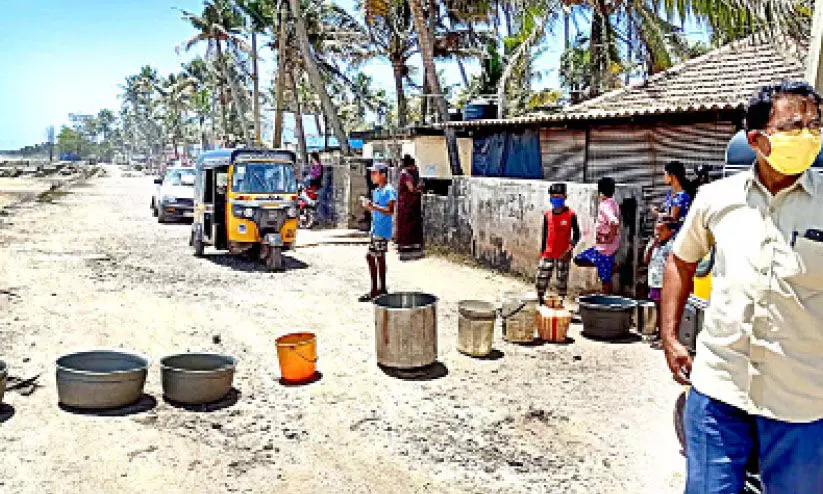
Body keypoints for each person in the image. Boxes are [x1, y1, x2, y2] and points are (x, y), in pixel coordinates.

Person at [661, 81, 823, 493]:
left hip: (801, 401)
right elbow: (681, 260)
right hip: (718, 387)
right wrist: (669, 338)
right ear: (756, 140)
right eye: (793, 126)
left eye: (815, 125)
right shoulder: (717, 198)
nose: (808, 136)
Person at [535, 183, 581, 304]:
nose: (556, 199)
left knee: (562, 281)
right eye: (553, 197)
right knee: (541, 279)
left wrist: (570, 248)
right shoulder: (547, 215)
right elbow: (545, 236)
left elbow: (577, 234)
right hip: (548, 253)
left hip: (563, 254)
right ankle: (540, 300)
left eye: (559, 197)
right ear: (550, 198)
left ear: (565, 197)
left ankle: (560, 303)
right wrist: (542, 253)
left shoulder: (571, 215)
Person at [574, 177, 621, 294]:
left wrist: (610, 237)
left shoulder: (605, 205)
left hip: (605, 248)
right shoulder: (613, 203)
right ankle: (610, 267)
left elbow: (614, 222)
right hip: (604, 247)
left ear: (600, 192)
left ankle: (605, 296)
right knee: (580, 258)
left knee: (605, 278)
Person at [359, 162, 396, 302]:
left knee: (372, 256)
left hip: (382, 230)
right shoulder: (377, 191)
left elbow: (390, 210)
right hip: (376, 229)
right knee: (378, 257)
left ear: (383, 175)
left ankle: (377, 289)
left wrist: (373, 206)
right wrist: (369, 206)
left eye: (375, 173)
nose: (372, 176)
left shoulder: (388, 190)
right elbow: (377, 209)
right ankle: (380, 288)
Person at [643, 216, 677, 347]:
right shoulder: (655, 244)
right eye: (656, 230)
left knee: (666, 311)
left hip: (665, 284)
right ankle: (659, 335)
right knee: (658, 309)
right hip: (654, 282)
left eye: (661, 230)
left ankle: (665, 338)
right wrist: (651, 246)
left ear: (670, 231)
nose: (657, 233)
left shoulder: (671, 246)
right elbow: (645, 260)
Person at [396, 155, 424, 257]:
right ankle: (406, 244)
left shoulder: (406, 173)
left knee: (408, 223)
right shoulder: (406, 174)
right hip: (407, 203)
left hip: (408, 203)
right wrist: (419, 189)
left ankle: (408, 244)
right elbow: (411, 189)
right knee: (407, 223)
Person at [654, 161, 694, 225]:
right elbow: (666, 210)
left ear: (672, 176)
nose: (664, 177)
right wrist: (659, 210)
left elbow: (672, 219)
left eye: (665, 174)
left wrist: (657, 213)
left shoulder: (682, 196)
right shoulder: (670, 194)